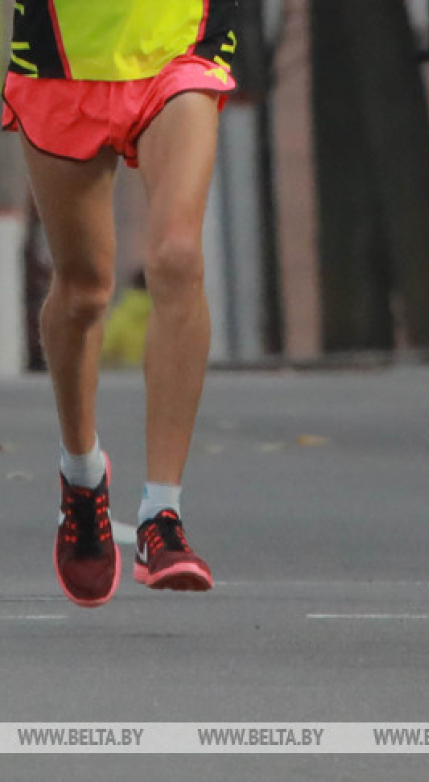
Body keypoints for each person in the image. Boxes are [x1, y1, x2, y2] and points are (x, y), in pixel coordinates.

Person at [4, 0, 238, 605]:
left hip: (180, 47)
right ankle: (82, 478)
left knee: (178, 256)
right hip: (62, 56)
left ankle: (164, 516)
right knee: (84, 289)